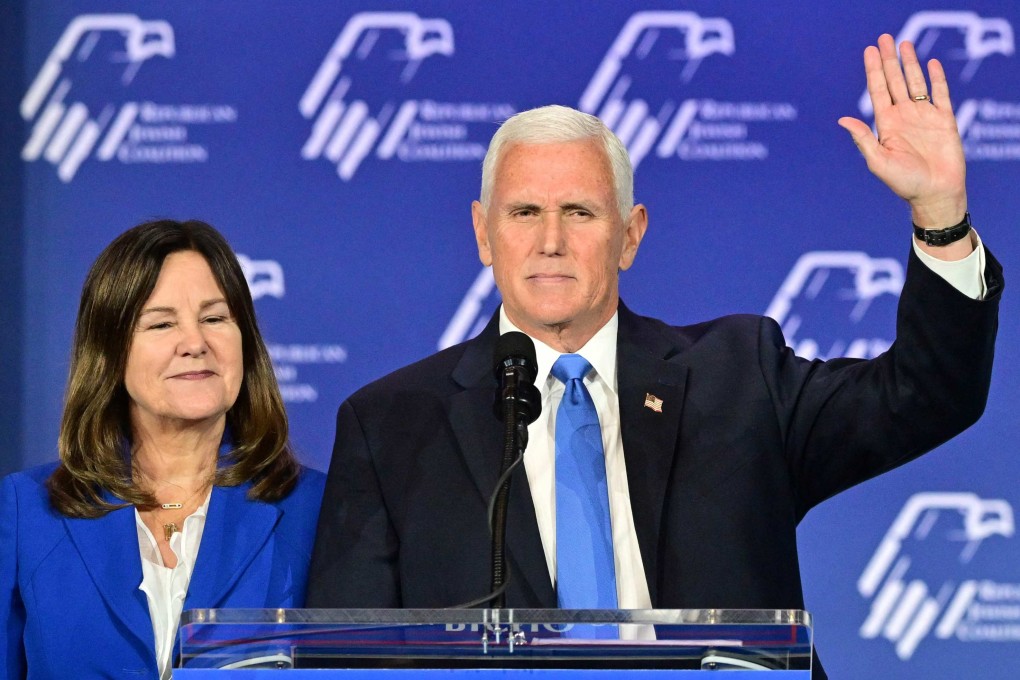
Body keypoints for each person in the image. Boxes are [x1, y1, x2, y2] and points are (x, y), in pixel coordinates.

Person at [306, 35, 1002, 677]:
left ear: (630, 235)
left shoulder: (741, 377)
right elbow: (345, 659)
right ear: (483, 235)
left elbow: (927, 395)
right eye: (523, 214)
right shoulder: (392, 425)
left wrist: (941, 216)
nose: (550, 240)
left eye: (579, 212)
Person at [0, 220, 325, 679]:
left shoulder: (320, 510)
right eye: (161, 323)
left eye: (214, 318)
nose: (195, 344)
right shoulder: (25, 511)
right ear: (109, 351)